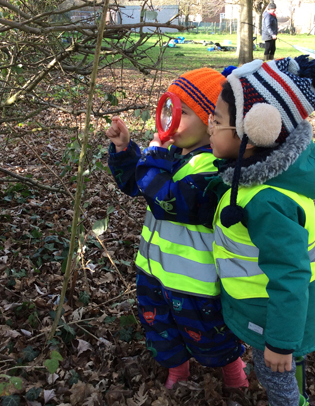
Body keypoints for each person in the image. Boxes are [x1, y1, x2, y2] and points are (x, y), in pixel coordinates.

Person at [207, 55, 315, 406]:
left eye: (217, 120)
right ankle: (289, 386)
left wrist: (280, 342)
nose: (209, 126)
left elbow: (291, 274)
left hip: (275, 316)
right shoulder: (254, 175)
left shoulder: (266, 202)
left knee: (274, 369)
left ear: (253, 133)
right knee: (279, 365)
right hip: (268, 308)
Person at [106, 68, 248, 389]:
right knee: (161, 330)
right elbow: (137, 183)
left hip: (197, 283)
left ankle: (233, 372)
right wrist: (126, 150)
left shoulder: (214, 169)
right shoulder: (172, 155)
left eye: (182, 113)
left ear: (211, 121)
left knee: (212, 335)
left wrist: (152, 155)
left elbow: (167, 199)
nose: (171, 120)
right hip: (153, 273)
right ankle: (177, 370)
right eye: (169, 110)